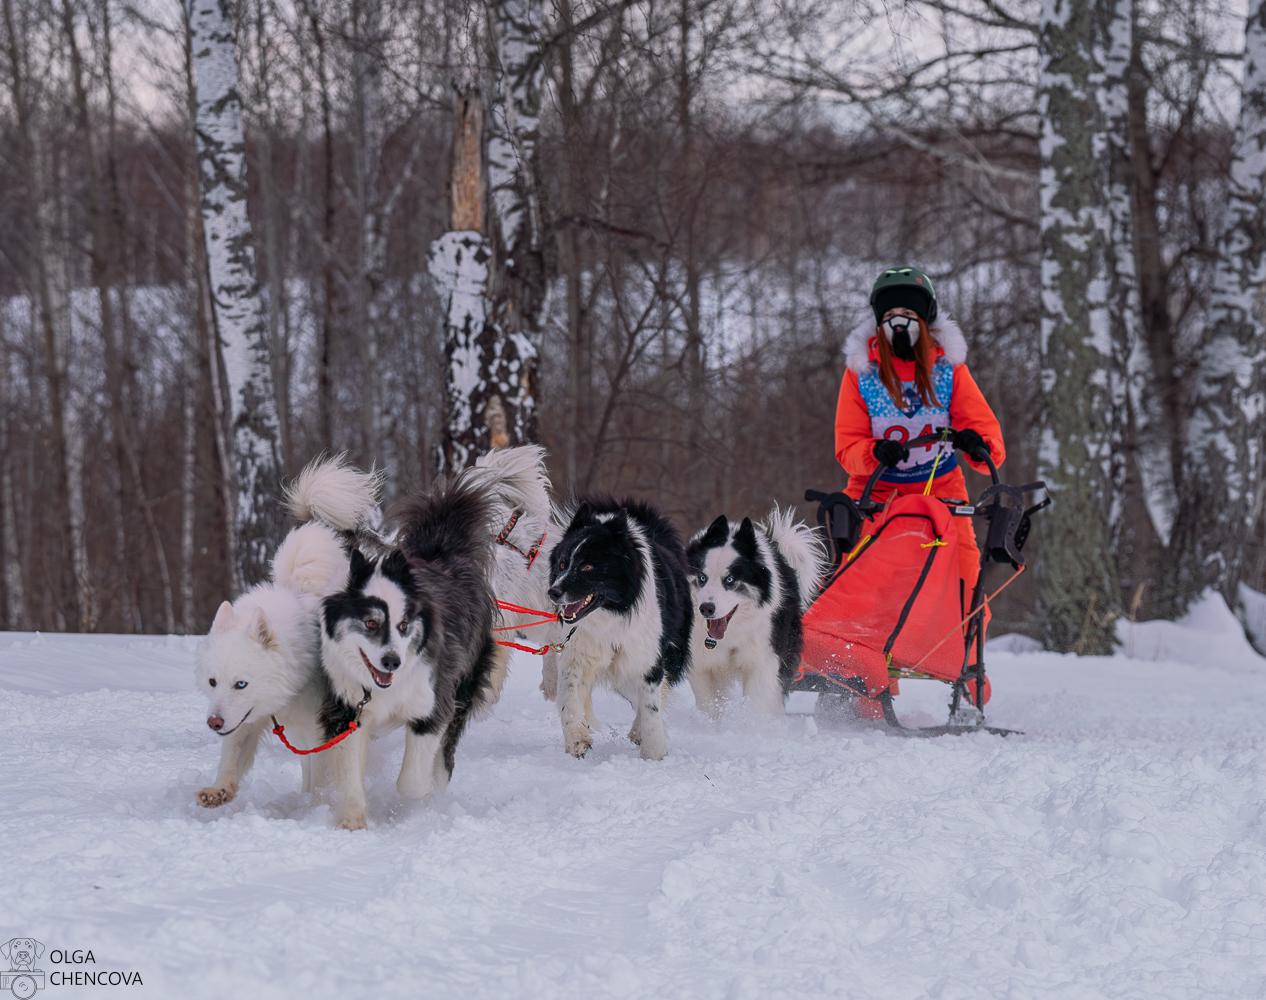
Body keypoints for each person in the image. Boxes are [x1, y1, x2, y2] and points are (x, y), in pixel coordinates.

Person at [834, 265, 1005, 615]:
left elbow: (990, 444)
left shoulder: (949, 369)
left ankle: (969, 663)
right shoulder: (862, 373)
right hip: (877, 492)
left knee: (963, 584)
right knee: (856, 587)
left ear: (925, 321)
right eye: (891, 315)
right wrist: (874, 452)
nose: (899, 323)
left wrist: (976, 443)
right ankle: (857, 664)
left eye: (908, 314)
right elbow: (847, 447)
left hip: (941, 488)